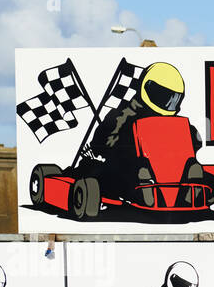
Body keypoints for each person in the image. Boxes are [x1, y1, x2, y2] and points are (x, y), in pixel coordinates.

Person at [86, 62, 203, 204]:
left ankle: (187, 186)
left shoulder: (177, 123)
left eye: (173, 98)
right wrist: (114, 145)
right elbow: (100, 143)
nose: (168, 102)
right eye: (163, 96)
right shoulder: (122, 115)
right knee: (96, 170)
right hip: (129, 164)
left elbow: (195, 142)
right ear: (148, 88)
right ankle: (146, 187)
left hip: (167, 166)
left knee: (193, 167)